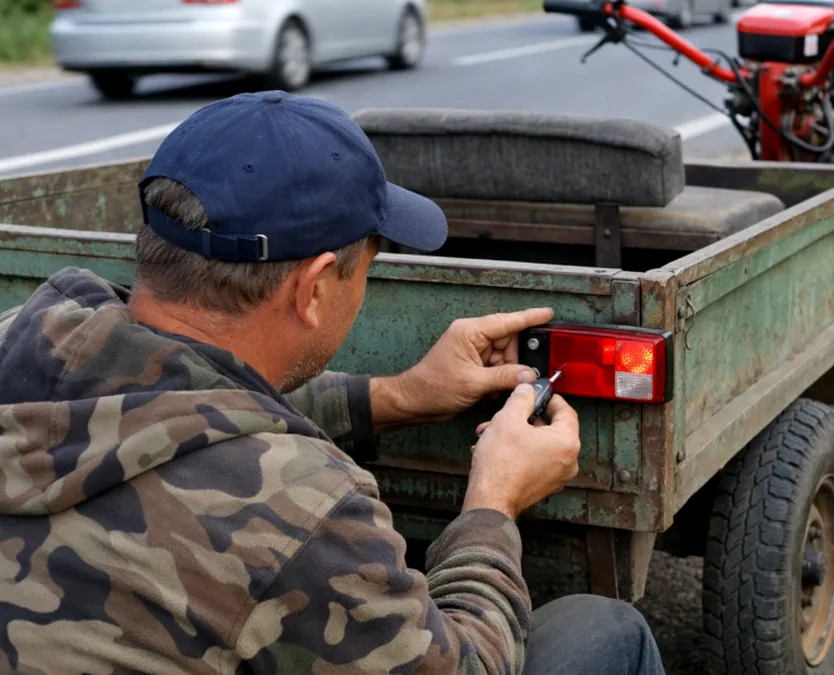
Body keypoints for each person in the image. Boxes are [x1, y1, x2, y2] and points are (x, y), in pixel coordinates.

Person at [0, 91, 665, 675]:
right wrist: (493, 502)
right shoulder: (304, 511)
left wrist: (399, 395)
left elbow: (177, 410)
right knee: (604, 631)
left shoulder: (18, 340)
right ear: (315, 288)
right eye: (364, 269)